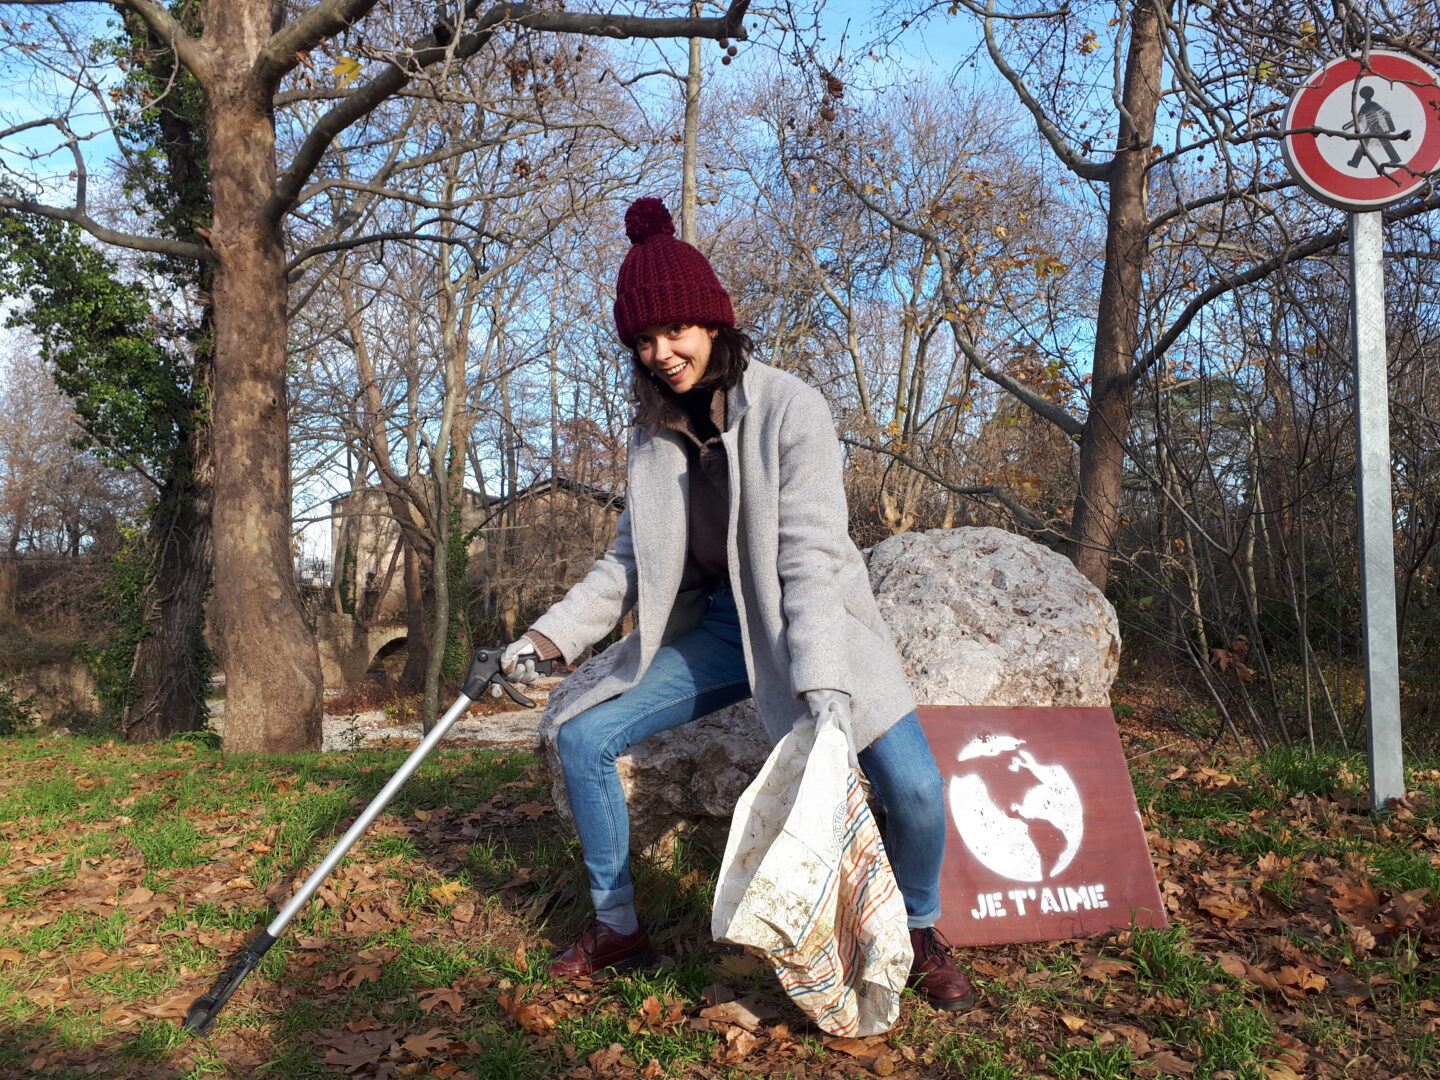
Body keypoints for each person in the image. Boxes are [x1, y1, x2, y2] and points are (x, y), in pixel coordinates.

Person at [498, 196, 972, 1011]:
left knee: (918, 791)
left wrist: (825, 688)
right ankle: (617, 925)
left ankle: (920, 928)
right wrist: (547, 640)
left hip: (814, 625)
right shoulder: (652, 434)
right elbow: (627, 562)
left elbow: (813, 560)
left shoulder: (793, 408)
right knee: (582, 737)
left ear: (713, 322)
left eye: (673, 331)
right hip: (721, 631)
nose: (660, 353)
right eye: (642, 340)